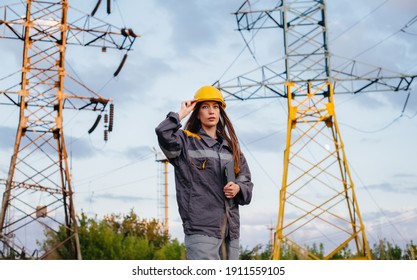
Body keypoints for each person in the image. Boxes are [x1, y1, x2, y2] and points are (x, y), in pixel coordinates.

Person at [155, 85, 253, 260]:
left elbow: (247, 187)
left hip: (230, 232)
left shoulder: (231, 149)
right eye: (205, 107)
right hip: (201, 229)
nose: (211, 111)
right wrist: (180, 114)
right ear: (197, 112)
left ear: (220, 112)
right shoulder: (185, 142)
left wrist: (238, 188)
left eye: (215, 107)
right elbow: (163, 132)